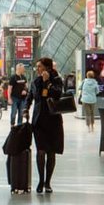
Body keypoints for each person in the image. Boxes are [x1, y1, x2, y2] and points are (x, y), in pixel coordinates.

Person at [29, 57, 65, 194]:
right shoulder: (36, 81)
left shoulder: (56, 80)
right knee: (40, 151)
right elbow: (31, 97)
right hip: (39, 122)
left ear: (47, 68)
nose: (37, 69)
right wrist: (26, 108)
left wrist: (47, 82)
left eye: (40, 66)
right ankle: (40, 180)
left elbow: (57, 94)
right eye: (37, 66)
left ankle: (48, 182)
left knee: (51, 153)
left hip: (53, 121)